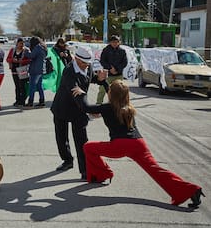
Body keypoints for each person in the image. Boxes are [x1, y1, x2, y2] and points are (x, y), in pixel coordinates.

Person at [72, 79, 204, 208]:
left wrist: (81, 93)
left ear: (111, 94)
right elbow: (116, 94)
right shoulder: (128, 107)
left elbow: (86, 107)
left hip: (120, 145)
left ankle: (102, 174)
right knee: (157, 170)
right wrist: (104, 82)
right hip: (139, 143)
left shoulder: (107, 107)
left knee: (88, 147)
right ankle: (191, 190)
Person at [50, 46, 108, 178]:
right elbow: (79, 96)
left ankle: (85, 169)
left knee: (82, 140)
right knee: (61, 137)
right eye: (83, 63)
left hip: (79, 110)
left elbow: (90, 77)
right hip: (63, 107)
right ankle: (67, 160)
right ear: (76, 59)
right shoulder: (69, 71)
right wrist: (95, 110)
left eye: (88, 63)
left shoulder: (88, 65)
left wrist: (99, 79)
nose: (86, 66)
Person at [96, 35, 127, 104]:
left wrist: (117, 69)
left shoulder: (122, 51)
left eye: (117, 42)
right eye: (113, 42)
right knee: (102, 89)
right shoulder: (106, 50)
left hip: (118, 74)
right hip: (107, 74)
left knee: (119, 91)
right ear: (110, 42)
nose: (115, 43)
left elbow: (124, 62)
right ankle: (98, 104)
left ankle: (117, 105)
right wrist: (110, 68)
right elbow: (102, 61)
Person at [6, 38, 30, 107]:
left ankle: (23, 101)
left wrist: (21, 61)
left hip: (22, 70)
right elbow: (7, 59)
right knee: (17, 86)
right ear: (17, 43)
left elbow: (30, 59)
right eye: (20, 43)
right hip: (14, 70)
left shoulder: (26, 50)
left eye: (23, 43)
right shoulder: (12, 50)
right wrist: (12, 60)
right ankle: (17, 100)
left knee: (22, 86)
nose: (22, 45)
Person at [23, 36, 47, 108]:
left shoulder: (37, 47)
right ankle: (42, 101)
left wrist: (26, 51)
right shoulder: (43, 47)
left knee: (32, 87)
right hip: (41, 69)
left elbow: (31, 56)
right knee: (40, 86)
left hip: (35, 70)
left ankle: (30, 102)